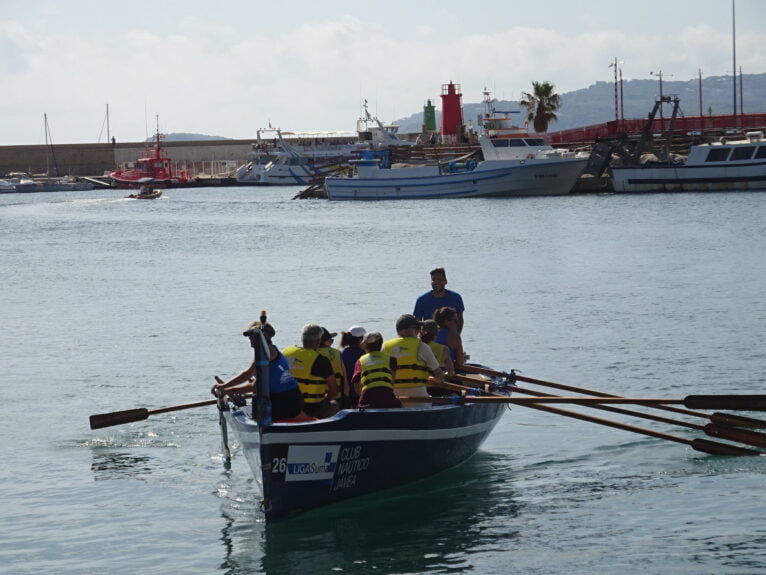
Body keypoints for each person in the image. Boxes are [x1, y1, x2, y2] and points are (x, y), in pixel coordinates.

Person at [211, 319, 306, 422]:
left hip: (282, 399)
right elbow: (255, 386)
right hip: (292, 397)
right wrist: (230, 390)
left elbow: (247, 374)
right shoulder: (271, 350)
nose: (250, 339)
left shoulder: (267, 352)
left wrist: (224, 386)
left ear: (261, 337)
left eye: (252, 337)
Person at [382, 314, 445, 403]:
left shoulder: (386, 346)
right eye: (417, 328)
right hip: (418, 398)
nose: (419, 331)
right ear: (412, 329)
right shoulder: (422, 346)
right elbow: (439, 376)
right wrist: (431, 379)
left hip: (393, 397)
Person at [283, 324, 339, 418]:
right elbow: (334, 390)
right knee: (334, 404)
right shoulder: (321, 360)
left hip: (286, 405)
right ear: (318, 341)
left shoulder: (285, 352)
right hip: (311, 408)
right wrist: (325, 401)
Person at [351, 331, 402, 409]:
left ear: (365, 345)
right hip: (388, 399)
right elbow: (392, 381)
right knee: (399, 405)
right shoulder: (391, 359)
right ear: (381, 344)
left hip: (367, 400)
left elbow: (356, 385)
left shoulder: (360, 361)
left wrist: (362, 395)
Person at [413, 267, 465, 333]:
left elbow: (460, 320)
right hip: (429, 340)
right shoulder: (421, 300)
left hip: (450, 339)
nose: (436, 282)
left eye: (440, 279)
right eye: (433, 279)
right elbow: (417, 323)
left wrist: (456, 336)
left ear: (445, 281)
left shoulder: (456, 298)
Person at [318, 327, 351, 408]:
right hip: (339, 396)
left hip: (320, 397)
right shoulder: (337, 353)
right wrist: (346, 397)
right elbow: (345, 376)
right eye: (331, 340)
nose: (332, 343)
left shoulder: (313, 354)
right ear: (324, 342)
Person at [340, 325, 367, 407]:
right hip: (359, 391)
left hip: (345, 392)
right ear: (361, 340)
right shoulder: (363, 354)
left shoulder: (342, 353)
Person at [434, 306, 465, 370]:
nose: (458, 323)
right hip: (446, 371)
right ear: (446, 321)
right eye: (455, 321)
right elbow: (460, 361)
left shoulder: (432, 333)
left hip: (432, 370)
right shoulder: (455, 335)